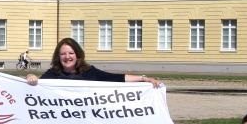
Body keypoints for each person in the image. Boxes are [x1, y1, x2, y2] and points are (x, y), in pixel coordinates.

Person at [25, 38, 161, 86]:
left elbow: (115, 78)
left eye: (71, 53)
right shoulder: (52, 74)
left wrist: (144, 79)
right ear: (58, 57)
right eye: (63, 54)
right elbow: (37, 86)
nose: (67, 57)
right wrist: (31, 78)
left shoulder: (89, 72)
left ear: (78, 55)